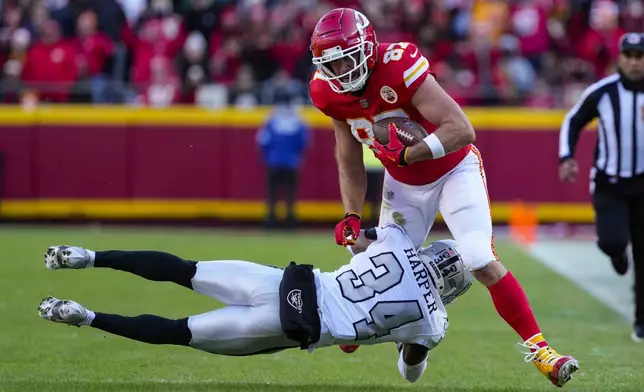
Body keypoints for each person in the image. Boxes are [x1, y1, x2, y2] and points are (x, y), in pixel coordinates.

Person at [308, 8, 578, 387]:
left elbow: (462, 130)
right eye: (332, 65)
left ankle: (542, 352)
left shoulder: (399, 64)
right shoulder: (325, 91)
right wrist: (352, 214)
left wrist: (409, 153)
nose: (342, 72)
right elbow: (347, 154)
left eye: (347, 60)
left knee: (480, 258)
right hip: (402, 186)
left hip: (454, 170)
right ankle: (412, 334)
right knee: (366, 259)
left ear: (367, 48)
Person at [38, 224, 471, 383]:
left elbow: (357, 239)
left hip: (283, 282)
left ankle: (89, 257)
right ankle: (87, 317)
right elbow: (410, 374)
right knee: (179, 332)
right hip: (292, 325)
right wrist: (402, 340)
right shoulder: (433, 323)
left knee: (184, 269)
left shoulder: (396, 241)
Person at [558, 32, 644, 342]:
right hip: (610, 182)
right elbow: (573, 120)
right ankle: (618, 253)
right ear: (620, 58)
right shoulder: (604, 92)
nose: (635, 62)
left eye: (640, 56)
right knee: (612, 241)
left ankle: (641, 321)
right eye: (630, 56)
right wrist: (566, 156)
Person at [256, 93, 310, 228]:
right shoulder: (298, 121)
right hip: (292, 162)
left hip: (274, 161)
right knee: (290, 193)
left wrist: (267, 156)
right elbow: (304, 143)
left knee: (272, 193)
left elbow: (262, 141)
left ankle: (271, 219)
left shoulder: (272, 120)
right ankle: (290, 219)